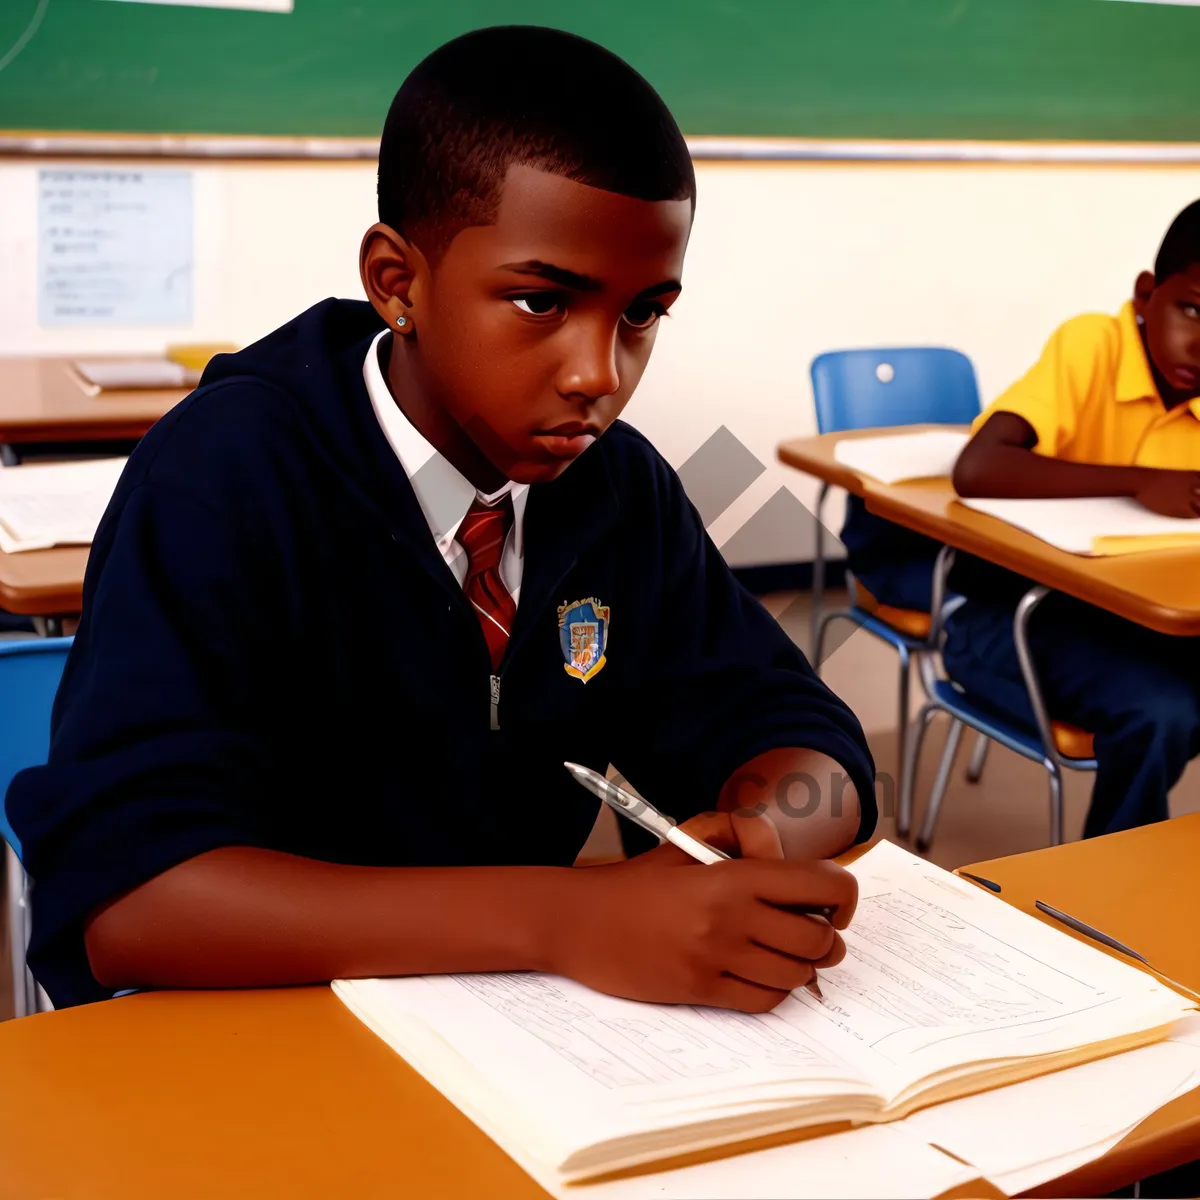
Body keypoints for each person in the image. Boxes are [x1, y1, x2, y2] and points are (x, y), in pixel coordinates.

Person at [7, 26, 877, 1011]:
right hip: (256, 1025)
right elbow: (132, 901)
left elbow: (806, 734)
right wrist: (565, 918)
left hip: (518, 1023)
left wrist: (775, 821)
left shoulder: (615, 490)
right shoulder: (224, 479)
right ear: (398, 282)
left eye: (642, 315)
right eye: (543, 301)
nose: (601, 374)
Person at [947, 198, 1200, 837]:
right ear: (1147, 294)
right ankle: (1108, 894)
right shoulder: (1093, 343)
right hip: (1012, 618)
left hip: (1137, 627)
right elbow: (977, 469)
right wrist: (1143, 482)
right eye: (1191, 310)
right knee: (1160, 713)